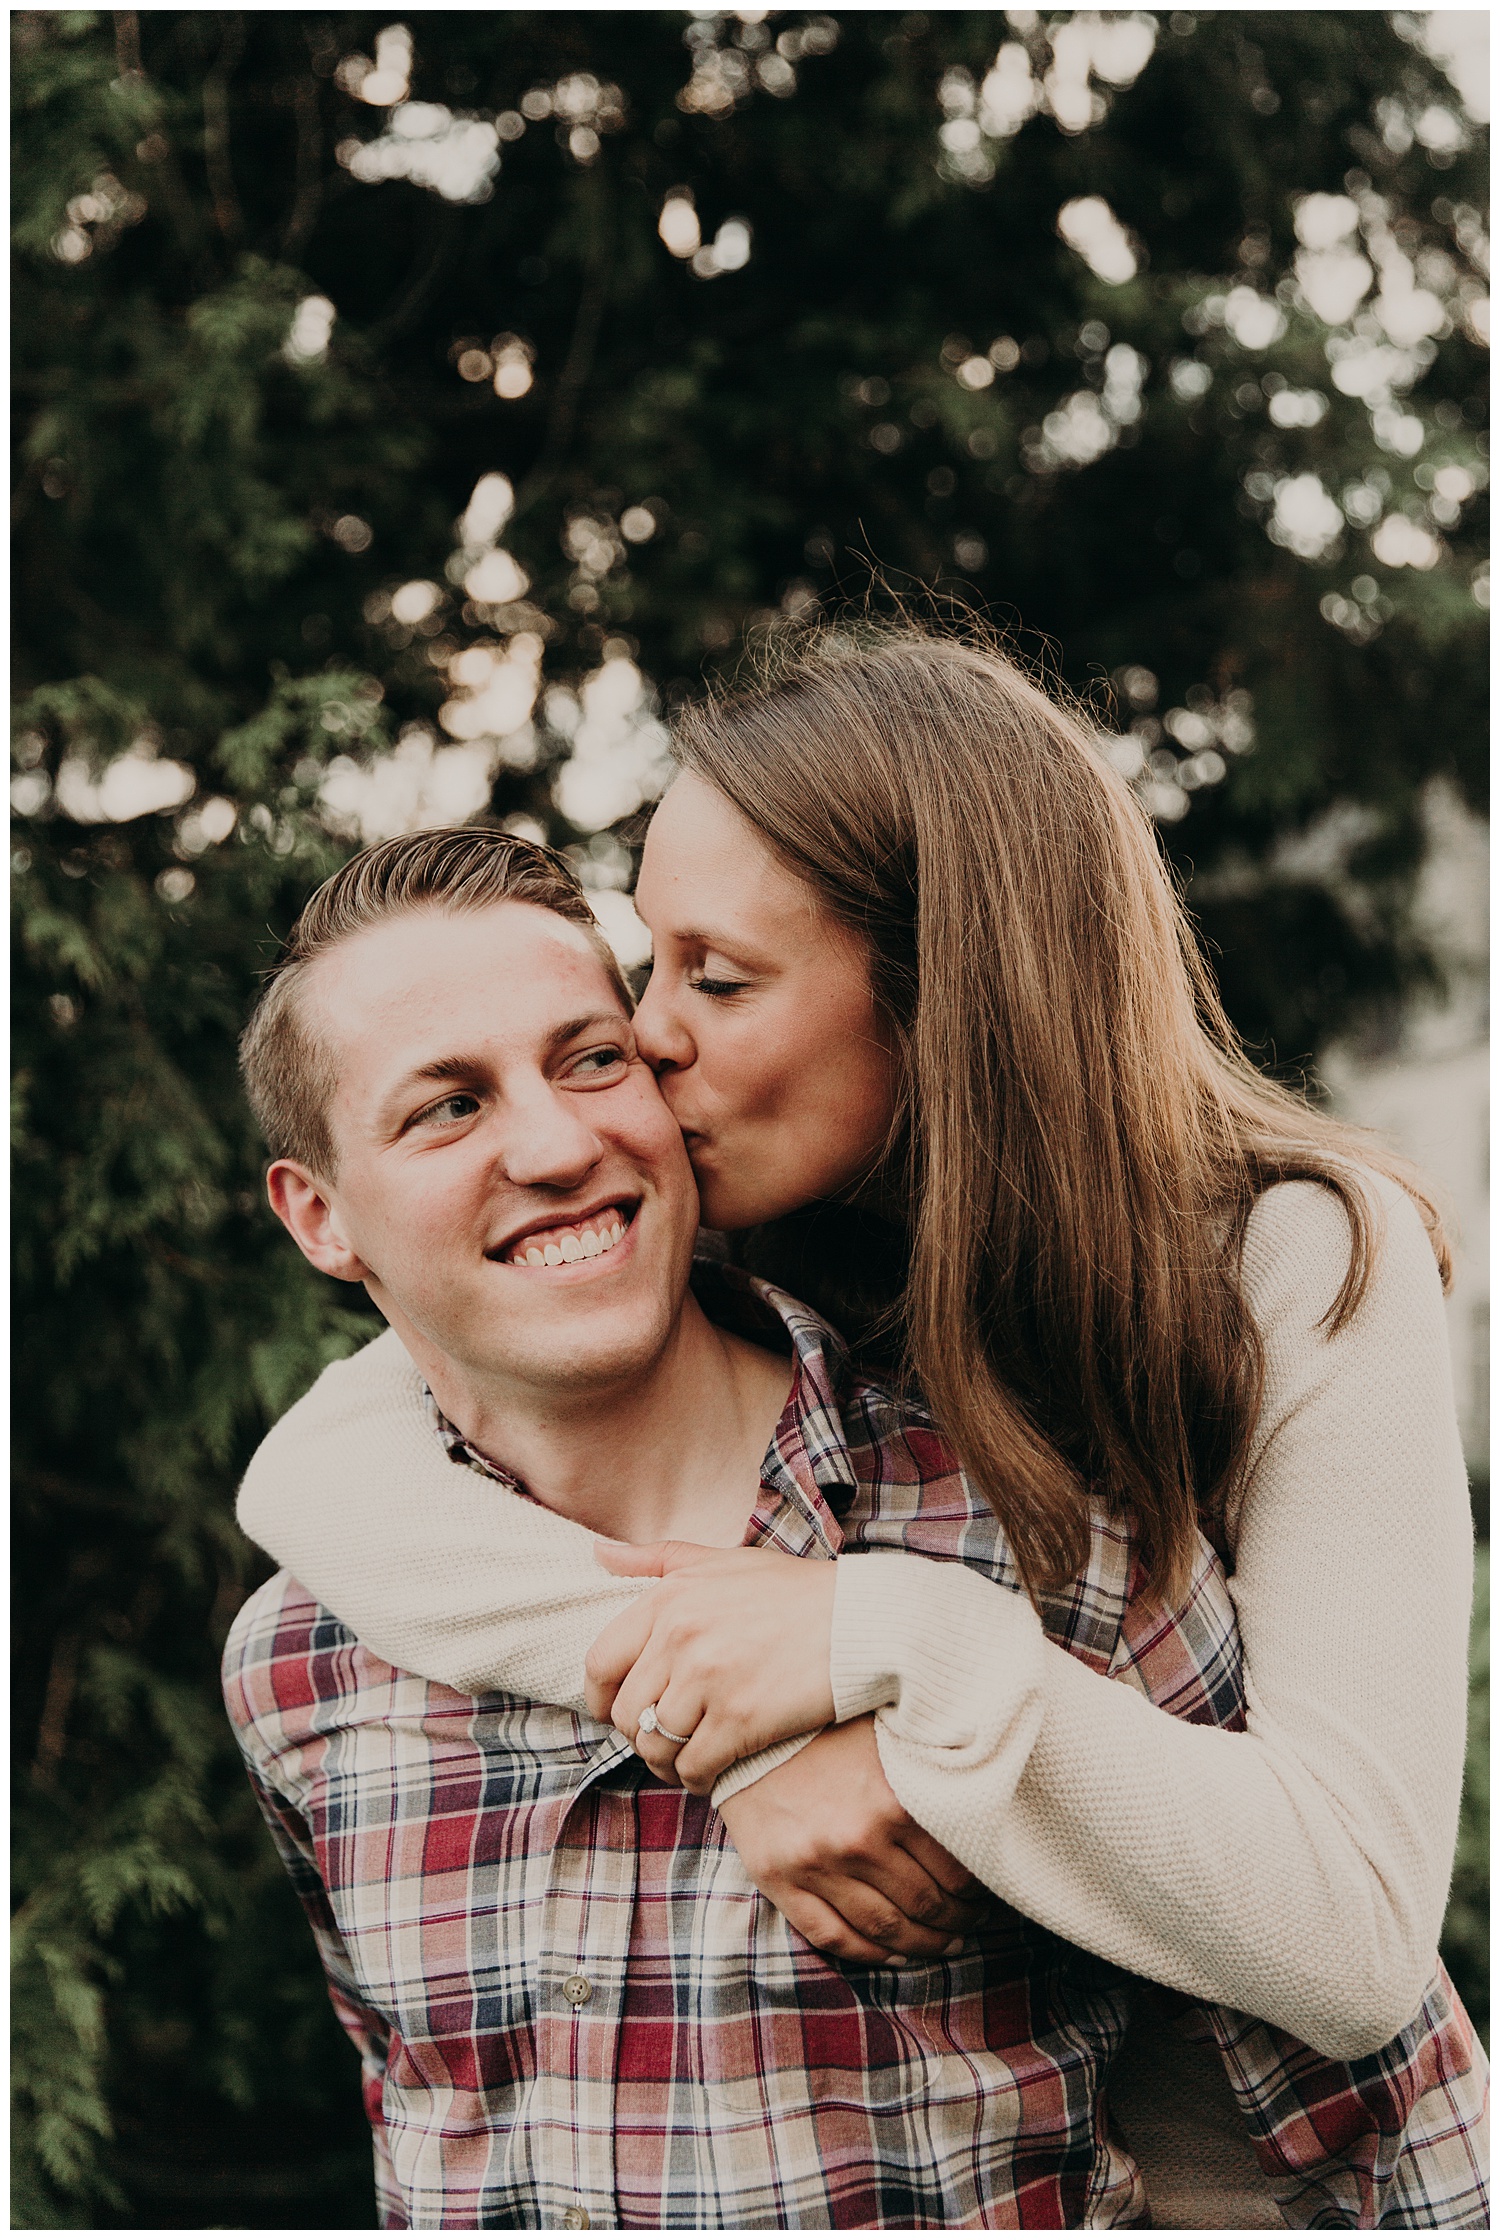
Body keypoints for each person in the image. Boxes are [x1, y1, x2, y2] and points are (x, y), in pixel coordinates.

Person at [236, 629, 1487, 2227]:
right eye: (647, 968)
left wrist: (888, 1646)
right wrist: (733, 1724)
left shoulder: (1279, 1261)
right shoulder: (721, 1219)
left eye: (717, 977)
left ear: (935, 994)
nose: (651, 1040)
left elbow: (1354, 1928)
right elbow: (322, 1469)